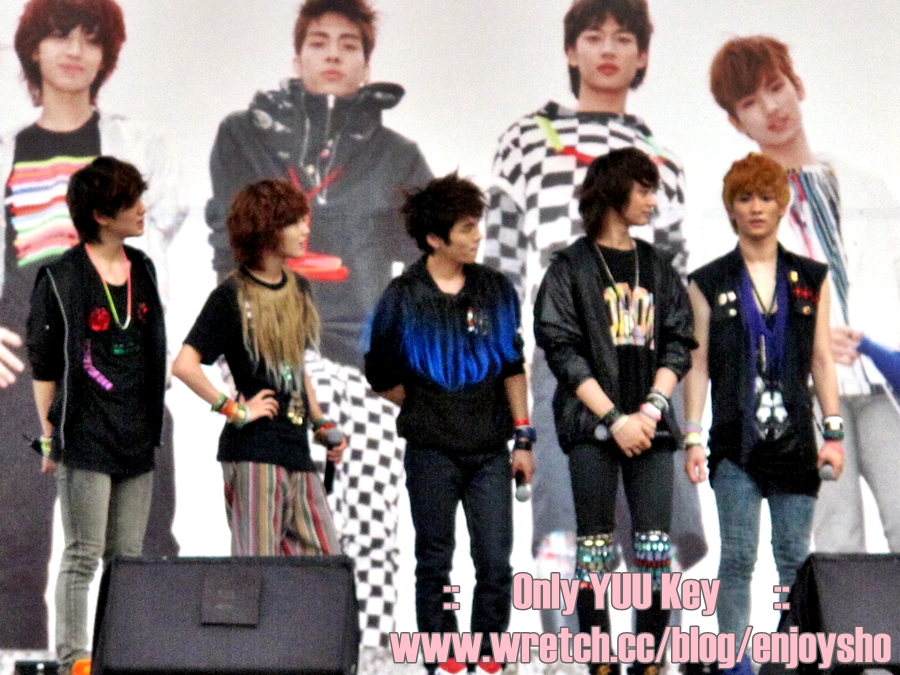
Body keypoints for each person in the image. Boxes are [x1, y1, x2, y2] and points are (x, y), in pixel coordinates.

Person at [205, 0, 431, 649]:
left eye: (349, 44)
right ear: (297, 54)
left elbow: (426, 261)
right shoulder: (244, 135)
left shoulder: (397, 156)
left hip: (363, 362)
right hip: (270, 354)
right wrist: (236, 354)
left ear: (367, 62)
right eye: (320, 41)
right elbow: (224, 242)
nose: (333, 53)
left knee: (368, 525)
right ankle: (265, 655)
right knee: (268, 528)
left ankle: (369, 652)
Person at [484, 0, 704, 634]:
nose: (608, 48)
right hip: (567, 353)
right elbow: (500, 265)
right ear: (570, 49)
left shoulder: (663, 159)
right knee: (568, 519)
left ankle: (654, 652)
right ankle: (577, 654)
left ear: (643, 55)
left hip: (648, 358)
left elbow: (678, 285)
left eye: (623, 37)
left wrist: (672, 400)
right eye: (593, 35)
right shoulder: (527, 140)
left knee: (658, 527)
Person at [0, 0, 185, 653]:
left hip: (120, 359)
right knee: (15, 538)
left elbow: (157, 254)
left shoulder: (140, 147)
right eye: (60, 35)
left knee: (144, 536)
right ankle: (23, 660)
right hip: (26, 367)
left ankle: (146, 657)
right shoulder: (9, 149)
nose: (75, 50)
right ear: (34, 49)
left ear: (106, 54)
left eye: (90, 38)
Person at [709, 35, 900, 554]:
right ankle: (847, 616)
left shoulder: (867, 187)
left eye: (776, 87)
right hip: (808, 394)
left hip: (882, 382)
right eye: (750, 102)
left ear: (798, 86)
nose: (771, 108)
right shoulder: (741, 210)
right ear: (736, 121)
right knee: (837, 538)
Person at [534, 148, 695, 675]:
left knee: (654, 546)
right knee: (595, 549)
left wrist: (651, 410)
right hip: (592, 427)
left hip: (652, 428)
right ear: (613, 193)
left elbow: (679, 342)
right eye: (643, 190)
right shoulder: (569, 267)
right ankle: (599, 662)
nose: (652, 201)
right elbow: (562, 350)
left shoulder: (658, 266)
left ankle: (649, 661)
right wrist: (614, 420)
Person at [366, 174, 534, 675]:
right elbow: (379, 375)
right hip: (430, 451)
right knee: (435, 560)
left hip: (490, 451)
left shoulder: (495, 288)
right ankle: (443, 655)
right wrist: (425, 403)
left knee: (495, 560)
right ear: (435, 238)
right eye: (466, 228)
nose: (478, 235)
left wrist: (523, 436)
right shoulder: (402, 295)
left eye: (477, 225)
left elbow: (513, 366)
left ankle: (489, 653)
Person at [684, 153, 845, 674]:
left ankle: (791, 661)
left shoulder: (811, 277)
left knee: (794, 559)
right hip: (735, 441)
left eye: (766, 197)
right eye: (745, 198)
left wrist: (834, 432)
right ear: (731, 208)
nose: (756, 208)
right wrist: (692, 436)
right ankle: (735, 664)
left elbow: (822, 359)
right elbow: (697, 365)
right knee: (736, 557)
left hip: (796, 440)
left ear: (782, 205)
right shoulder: (708, 281)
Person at [26, 156, 166, 675]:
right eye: (132, 201)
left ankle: (117, 657)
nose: (142, 209)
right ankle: (75, 661)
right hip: (84, 434)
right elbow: (44, 365)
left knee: (126, 560)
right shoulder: (61, 276)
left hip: (136, 434)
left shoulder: (143, 268)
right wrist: (50, 436)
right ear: (102, 215)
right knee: (84, 553)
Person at [174, 179, 343, 557]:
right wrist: (234, 410)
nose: (306, 229)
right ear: (268, 229)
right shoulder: (231, 294)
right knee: (257, 566)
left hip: (295, 447)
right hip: (253, 452)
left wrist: (320, 422)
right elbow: (185, 365)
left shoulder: (299, 288)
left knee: (324, 564)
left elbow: (295, 366)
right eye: (294, 222)